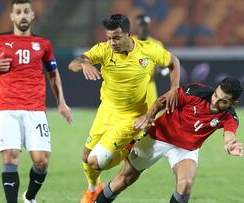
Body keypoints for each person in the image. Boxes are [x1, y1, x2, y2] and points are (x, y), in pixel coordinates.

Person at [69, 14, 181, 203]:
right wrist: (86, 63)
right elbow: (74, 63)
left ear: (129, 34)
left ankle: (128, 147)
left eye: (116, 38)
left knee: (96, 162)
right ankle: (93, 189)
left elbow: (173, 62)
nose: (112, 42)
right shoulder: (103, 50)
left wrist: (174, 89)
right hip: (106, 112)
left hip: (132, 117)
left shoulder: (148, 50)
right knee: (86, 157)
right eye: (109, 38)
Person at [0, 0, 72, 202]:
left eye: (26, 12)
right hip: (7, 109)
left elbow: (53, 73)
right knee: (10, 156)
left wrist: (61, 103)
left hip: (35, 110)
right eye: (18, 12)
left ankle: (29, 196)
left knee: (41, 162)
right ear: (12, 16)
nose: (22, 16)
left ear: (32, 15)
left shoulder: (44, 44)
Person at [95, 77, 244, 203]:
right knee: (123, 180)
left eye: (222, 101)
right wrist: (150, 115)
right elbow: (162, 101)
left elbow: (229, 135)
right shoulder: (194, 92)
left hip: (186, 149)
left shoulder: (230, 116)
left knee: (185, 184)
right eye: (215, 95)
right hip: (158, 137)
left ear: (233, 104)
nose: (215, 101)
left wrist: (230, 145)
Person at [134, 14, 169, 108]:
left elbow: (167, 67)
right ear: (136, 26)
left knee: (151, 117)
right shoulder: (128, 42)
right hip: (132, 86)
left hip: (149, 86)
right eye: (141, 25)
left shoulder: (157, 44)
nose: (143, 28)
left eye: (146, 25)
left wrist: (162, 71)